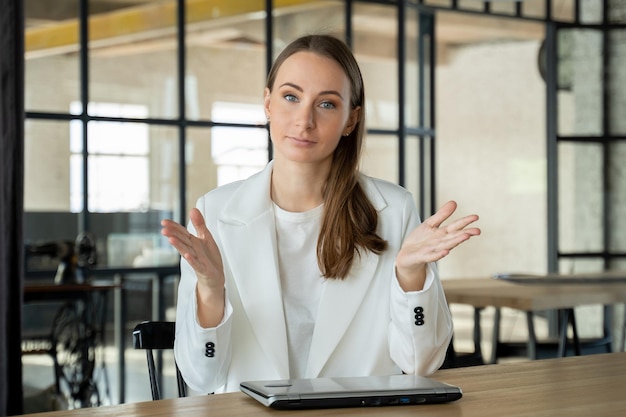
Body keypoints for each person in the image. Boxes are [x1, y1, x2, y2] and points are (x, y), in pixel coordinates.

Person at [161, 34, 481, 394]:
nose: (304, 120)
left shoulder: (394, 210)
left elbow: (421, 363)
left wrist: (410, 276)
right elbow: (200, 378)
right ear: (267, 103)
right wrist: (210, 291)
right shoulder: (214, 213)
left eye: (326, 104)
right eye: (290, 97)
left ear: (351, 120)